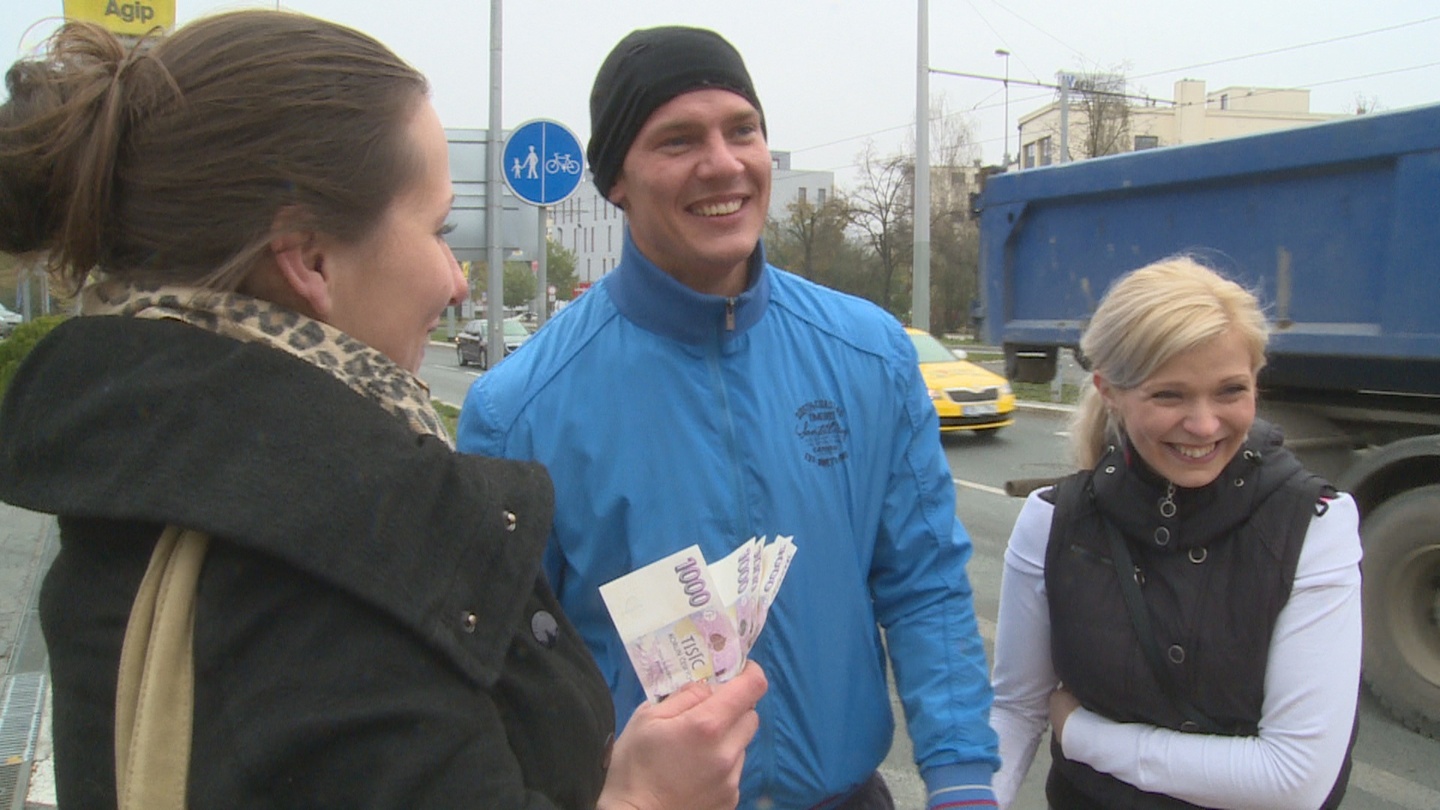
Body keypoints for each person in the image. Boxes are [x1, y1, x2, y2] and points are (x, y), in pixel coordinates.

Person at [0, 12, 765, 809]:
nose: (458, 281)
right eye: (438, 231)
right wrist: (646, 800)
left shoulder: (151, 473)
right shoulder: (326, 569)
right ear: (310, 259)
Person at [457, 25, 999, 810]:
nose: (723, 162)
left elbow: (924, 584)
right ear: (615, 181)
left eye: (742, 130)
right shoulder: (517, 412)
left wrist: (960, 781)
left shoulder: (871, 354)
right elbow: (507, 676)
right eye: (678, 140)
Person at [988, 257, 1362, 809]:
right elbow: (1017, 709)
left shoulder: (1317, 527)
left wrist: (1085, 735)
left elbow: (1294, 779)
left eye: (1230, 390)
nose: (1205, 424)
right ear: (1108, 390)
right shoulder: (1051, 521)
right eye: (1169, 396)